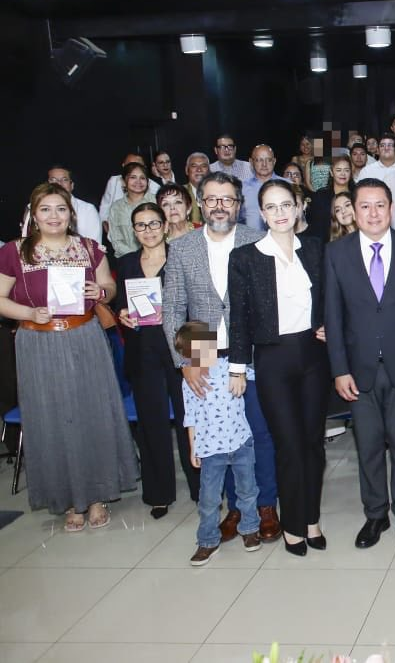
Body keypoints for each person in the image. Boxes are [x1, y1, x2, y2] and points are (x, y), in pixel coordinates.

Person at [0, 183, 136, 531]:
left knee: (92, 413)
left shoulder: (89, 248)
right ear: (33, 215)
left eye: (60, 209)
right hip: (37, 342)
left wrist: (100, 291)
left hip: (84, 338)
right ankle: (69, 500)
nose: (54, 216)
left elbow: (110, 288)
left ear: (70, 214)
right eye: (45, 209)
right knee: (51, 417)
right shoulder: (15, 252)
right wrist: (28, 313)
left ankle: (96, 495)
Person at [163, 171, 280, 544]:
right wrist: (187, 361)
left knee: (259, 433)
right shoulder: (182, 247)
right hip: (205, 356)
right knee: (220, 438)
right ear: (200, 202)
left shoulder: (256, 241)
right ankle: (236, 508)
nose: (219, 206)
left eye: (227, 199)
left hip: (253, 356)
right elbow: (174, 308)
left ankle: (265, 505)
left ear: (239, 205)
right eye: (212, 199)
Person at [325, 178, 395, 548]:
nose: (373, 213)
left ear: (391, 209)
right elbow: (333, 316)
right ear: (353, 211)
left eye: (380, 205)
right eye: (365, 206)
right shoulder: (337, 253)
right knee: (368, 445)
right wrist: (339, 369)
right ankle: (375, 514)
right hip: (358, 370)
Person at [229, 179, 330, 556]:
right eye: (271, 207)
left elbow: (330, 299)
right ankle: (292, 525)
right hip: (273, 358)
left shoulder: (315, 248)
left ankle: (312, 520)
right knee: (288, 445)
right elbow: (238, 317)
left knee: (313, 443)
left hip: (314, 354)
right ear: (261, 213)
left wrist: (330, 326)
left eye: (286, 204)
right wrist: (237, 368)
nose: (280, 213)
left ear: (298, 206)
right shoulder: (246, 257)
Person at [116, 202, 199, 519]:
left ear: (165, 226)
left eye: (153, 223)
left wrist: (202, 357)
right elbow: (120, 304)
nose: (148, 230)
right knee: (151, 422)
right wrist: (122, 314)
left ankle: (203, 487)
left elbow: (202, 302)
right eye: (141, 225)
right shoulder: (126, 263)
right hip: (143, 349)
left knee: (194, 418)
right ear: (134, 231)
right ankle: (158, 493)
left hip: (184, 345)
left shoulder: (185, 256)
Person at [177, 322, 262, 565]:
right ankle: (207, 540)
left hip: (240, 442)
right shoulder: (191, 381)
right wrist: (193, 448)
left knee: (247, 491)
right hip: (210, 450)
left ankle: (250, 529)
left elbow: (256, 372)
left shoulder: (230, 367)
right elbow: (190, 417)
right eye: (191, 353)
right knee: (209, 499)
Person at [34, 166, 103, 244]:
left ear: (72, 185)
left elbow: (94, 246)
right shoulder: (34, 207)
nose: (58, 184)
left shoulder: (88, 210)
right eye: (53, 180)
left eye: (64, 180)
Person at [108, 161, 157, 258]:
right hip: (127, 259)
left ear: (148, 182)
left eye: (142, 178)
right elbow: (116, 241)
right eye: (133, 177)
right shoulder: (116, 208)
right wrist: (136, 257)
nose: (138, 181)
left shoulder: (157, 201)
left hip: (156, 257)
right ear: (123, 181)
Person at [99, 153, 161, 228]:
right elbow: (105, 206)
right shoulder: (114, 182)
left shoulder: (155, 188)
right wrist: (105, 224)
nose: (135, 169)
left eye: (138, 166)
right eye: (130, 166)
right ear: (123, 166)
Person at [306, 155, 355, 241]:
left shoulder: (357, 194)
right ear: (331, 172)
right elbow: (315, 225)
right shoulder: (320, 196)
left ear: (351, 173)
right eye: (338, 170)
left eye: (346, 170)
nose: (343, 174)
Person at [241, 145, 284, 230]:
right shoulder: (242, 188)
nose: (264, 164)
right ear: (251, 162)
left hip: (281, 236)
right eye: (259, 160)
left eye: (269, 160)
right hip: (250, 236)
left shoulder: (288, 185)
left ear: (274, 161)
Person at [183, 152, 209, 225]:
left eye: (203, 166)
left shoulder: (217, 192)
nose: (199, 170)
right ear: (186, 170)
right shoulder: (180, 193)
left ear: (209, 171)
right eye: (194, 166)